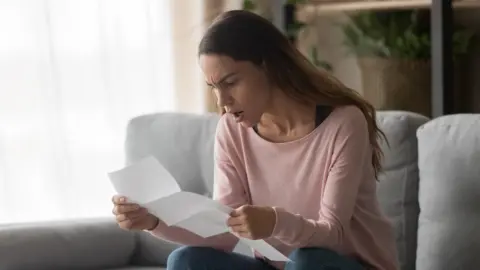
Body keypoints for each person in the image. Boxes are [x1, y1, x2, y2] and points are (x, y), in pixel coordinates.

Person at [111, 10, 399, 270]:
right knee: (185, 261)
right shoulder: (231, 129)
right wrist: (154, 221)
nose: (222, 102)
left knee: (306, 260)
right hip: (278, 266)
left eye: (231, 82)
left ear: (267, 66)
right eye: (213, 87)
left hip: (338, 264)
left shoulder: (344, 123)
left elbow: (332, 233)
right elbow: (224, 229)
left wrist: (274, 221)